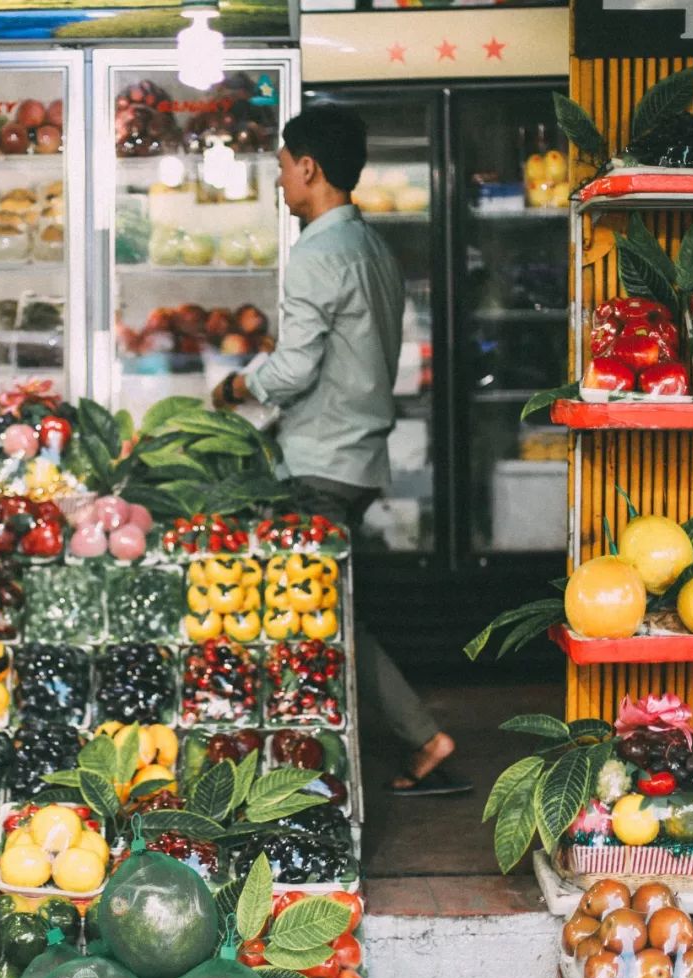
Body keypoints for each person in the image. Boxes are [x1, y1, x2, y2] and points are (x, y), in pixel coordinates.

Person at [211, 104, 469, 795]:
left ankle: (361, 760)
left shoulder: (319, 253)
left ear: (308, 167)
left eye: (281, 169)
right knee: (334, 606)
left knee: (321, 614)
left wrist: (239, 383)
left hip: (323, 460)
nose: (279, 184)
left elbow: (293, 371)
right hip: (358, 453)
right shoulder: (373, 249)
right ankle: (415, 742)